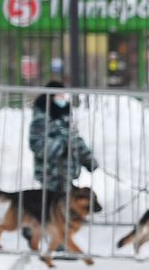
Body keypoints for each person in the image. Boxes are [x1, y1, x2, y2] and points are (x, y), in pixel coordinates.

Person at [28, 79, 99, 242]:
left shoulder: (64, 117)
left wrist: (88, 159)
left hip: (66, 173)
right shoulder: (41, 118)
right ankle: (56, 241)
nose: (63, 97)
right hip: (51, 172)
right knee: (55, 210)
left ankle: (35, 231)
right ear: (51, 96)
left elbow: (75, 140)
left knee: (62, 208)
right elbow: (37, 144)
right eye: (59, 94)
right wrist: (60, 147)